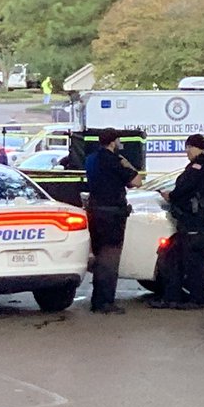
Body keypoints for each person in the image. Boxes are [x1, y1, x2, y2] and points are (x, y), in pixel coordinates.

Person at [149, 133, 204, 310]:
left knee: (194, 260)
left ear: (196, 147)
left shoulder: (199, 167)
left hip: (193, 219)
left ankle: (197, 300)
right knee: (178, 257)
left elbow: (184, 188)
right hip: (192, 219)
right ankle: (173, 297)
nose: (187, 152)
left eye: (188, 148)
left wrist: (170, 196)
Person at [85, 128, 143, 314]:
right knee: (110, 259)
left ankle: (96, 299)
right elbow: (137, 181)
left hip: (94, 212)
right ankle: (106, 302)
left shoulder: (91, 159)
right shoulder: (115, 161)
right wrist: (127, 164)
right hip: (112, 215)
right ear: (113, 142)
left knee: (100, 255)